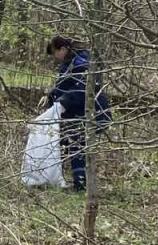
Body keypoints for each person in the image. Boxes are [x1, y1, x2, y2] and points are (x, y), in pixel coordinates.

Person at [42, 36, 111, 192]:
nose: (54, 58)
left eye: (55, 53)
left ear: (63, 49)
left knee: (76, 144)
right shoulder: (69, 64)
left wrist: (63, 101)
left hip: (91, 113)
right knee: (67, 141)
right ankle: (76, 179)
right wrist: (52, 100)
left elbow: (82, 89)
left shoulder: (81, 62)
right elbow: (64, 86)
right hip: (77, 113)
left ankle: (81, 185)